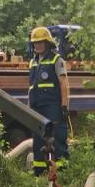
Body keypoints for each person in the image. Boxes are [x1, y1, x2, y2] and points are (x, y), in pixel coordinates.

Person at [27, 25, 69, 174]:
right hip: (37, 106)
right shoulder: (33, 62)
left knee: (57, 136)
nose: (37, 45)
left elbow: (64, 84)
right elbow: (31, 86)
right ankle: (39, 169)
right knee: (38, 138)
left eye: (40, 42)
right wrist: (28, 106)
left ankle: (61, 169)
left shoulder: (57, 60)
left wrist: (64, 106)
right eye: (35, 43)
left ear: (47, 43)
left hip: (53, 105)